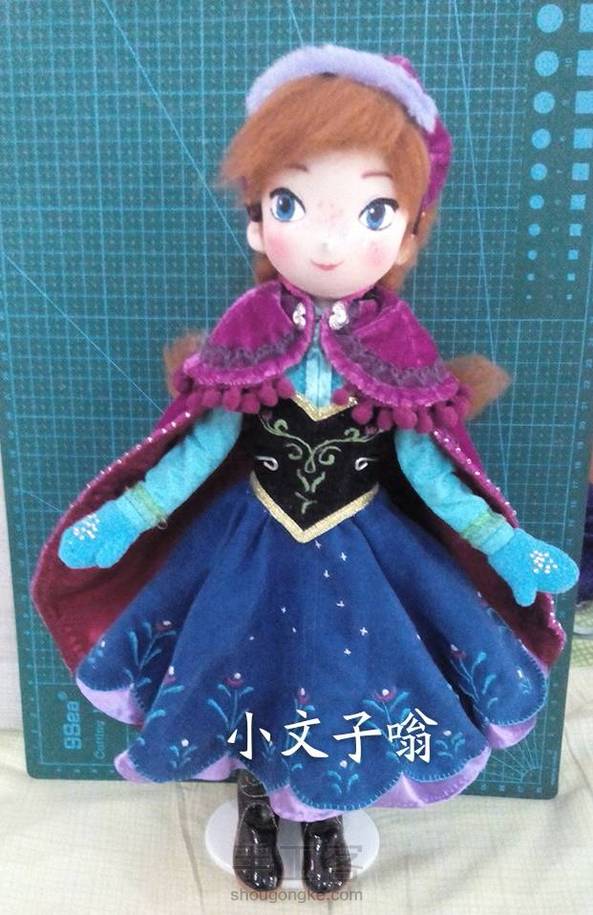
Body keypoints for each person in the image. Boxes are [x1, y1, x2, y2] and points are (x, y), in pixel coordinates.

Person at [30, 44, 578, 896]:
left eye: (371, 211)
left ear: (408, 231)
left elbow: (427, 463)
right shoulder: (247, 331)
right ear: (257, 219)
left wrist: (498, 541)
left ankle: (322, 814)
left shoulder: (398, 345)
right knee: (242, 675)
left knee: (338, 685)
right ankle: (255, 803)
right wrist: (129, 514)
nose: (327, 240)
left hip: (363, 557)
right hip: (246, 550)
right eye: (291, 202)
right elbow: (201, 446)